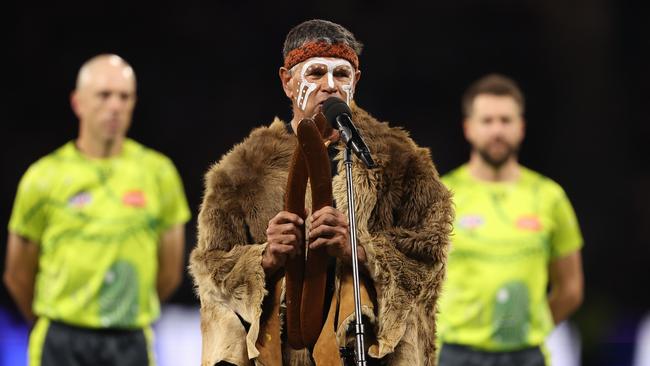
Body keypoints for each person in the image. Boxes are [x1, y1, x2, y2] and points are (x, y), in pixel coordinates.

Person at [189, 19, 453, 365]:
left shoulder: (401, 163)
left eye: (342, 74)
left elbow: (429, 259)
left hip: (368, 352)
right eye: (315, 73)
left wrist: (359, 251)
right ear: (287, 81)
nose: (329, 85)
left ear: (355, 81)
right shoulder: (242, 172)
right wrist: (264, 258)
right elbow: (211, 270)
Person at [3, 54, 191, 366]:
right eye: (104, 95)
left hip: (129, 340)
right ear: (78, 103)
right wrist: (55, 321)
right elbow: (17, 273)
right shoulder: (43, 177)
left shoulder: (159, 174)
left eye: (124, 96)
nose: (115, 106)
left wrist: (126, 310)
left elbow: (170, 271)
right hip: (60, 340)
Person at [437, 74, 584, 366]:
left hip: (525, 354)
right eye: (487, 120)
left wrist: (528, 330)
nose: (497, 130)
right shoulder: (442, 195)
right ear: (468, 128)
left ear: (522, 127)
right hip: (455, 353)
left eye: (506, 120)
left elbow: (570, 289)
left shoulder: (550, 197)